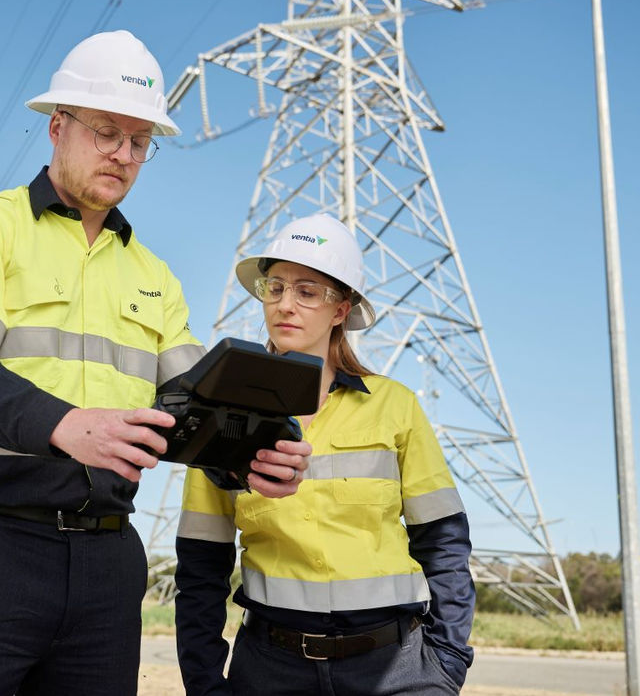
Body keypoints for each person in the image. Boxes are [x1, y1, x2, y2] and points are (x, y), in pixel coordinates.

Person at [0, 30, 311, 696]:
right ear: (58, 127)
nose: (123, 153)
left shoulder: (154, 275)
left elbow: (194, 403)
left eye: (140, 141)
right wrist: (63, 424)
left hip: (107, 562)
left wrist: (253, 455)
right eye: (107, 132)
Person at [174, 213, 476, 695]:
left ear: (341, 310)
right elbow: (200, 567)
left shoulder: (395, 406)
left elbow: (444, 542)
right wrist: (206, 685)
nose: (284, 305)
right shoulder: (218, 415)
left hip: (396, 669)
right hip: (270, 672)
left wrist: (447, 662)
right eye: (275, 288)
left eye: (307, 292)